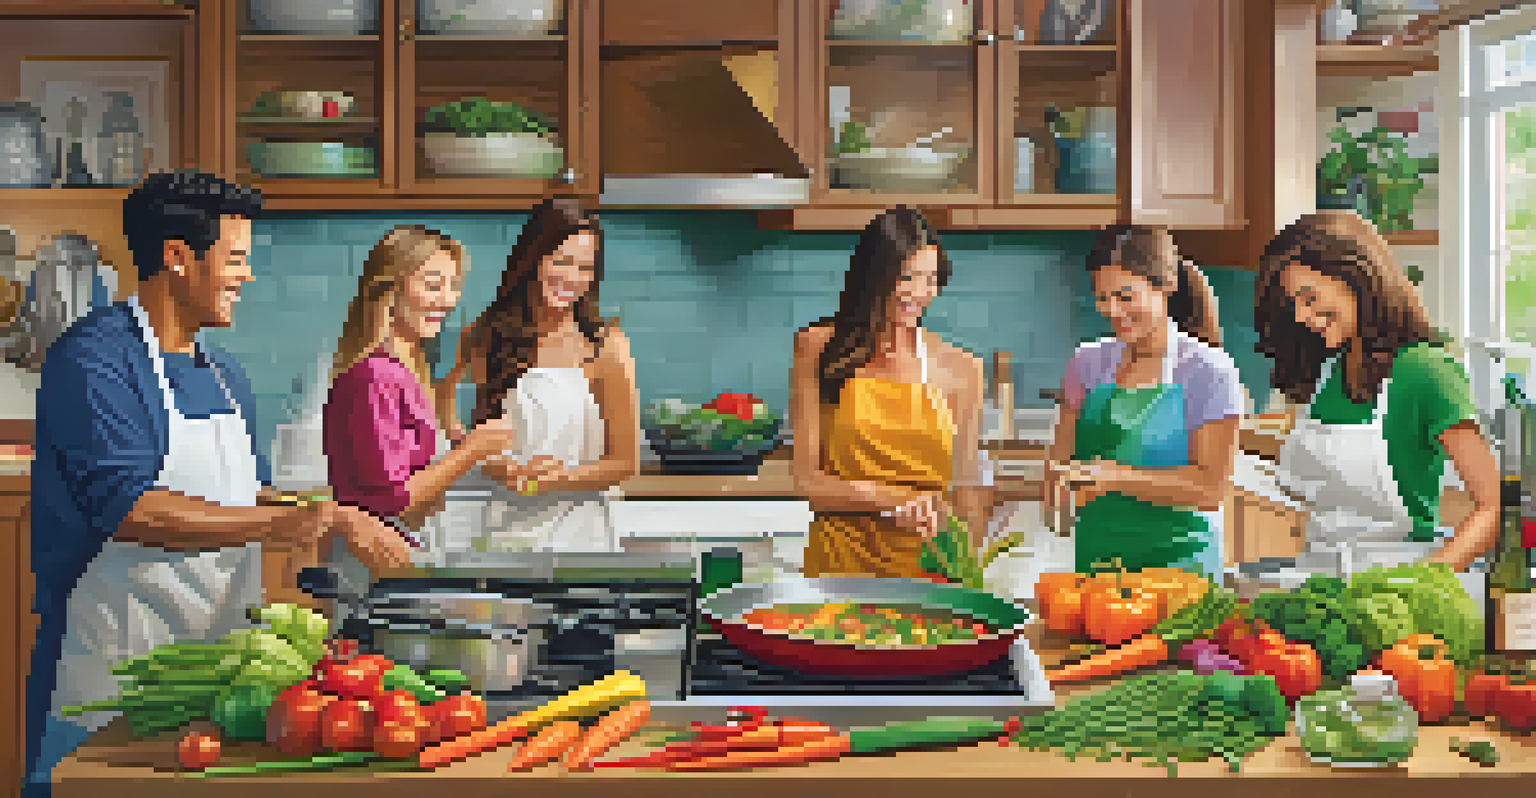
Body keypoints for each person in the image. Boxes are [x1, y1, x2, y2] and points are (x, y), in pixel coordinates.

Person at [22, 170, 412, 798]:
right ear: (177, 258)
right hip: (113, 677)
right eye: (235, 260)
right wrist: (301, 521)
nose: (246, 276)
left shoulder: (222, 369)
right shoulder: (94, 359)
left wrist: (332, 512)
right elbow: (130, 510)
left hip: (217, 679)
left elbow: (241, 494)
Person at [1255, 210, 1499, 573]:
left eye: (1309, 297)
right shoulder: (1327, 373)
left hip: (1398, 590)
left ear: (1356, 277)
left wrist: (1423, 582)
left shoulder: (1426, 370)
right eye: (1294, 305)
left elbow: (1492, 508)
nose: (1303, 316)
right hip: (1316, 582)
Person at [793, 206, 987, 578]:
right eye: (907, 277)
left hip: (927, 567)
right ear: (874, 277)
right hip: (839, 564)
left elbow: (966, 493)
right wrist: (897, 497)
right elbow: (808, 481)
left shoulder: (963, 369)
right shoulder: (818, 348)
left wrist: (968, 573)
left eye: (930, 279)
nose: (918, 292)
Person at [439, 197, 638, 552]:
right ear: (532, 258)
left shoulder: (605, 345)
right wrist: (506, 470)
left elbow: (624, 462)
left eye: (585, 267)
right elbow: (479, 442)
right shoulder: (485, 336)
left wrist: (556, 478)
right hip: (504, 532)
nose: (572, 278)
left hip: (581, 534)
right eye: (561, 261)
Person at [1043, 225, 1244, 578]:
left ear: (1165, 286)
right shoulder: (1086, 364)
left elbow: (1211, 489)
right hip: (1097, 570)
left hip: (1180, 573)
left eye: (1125, 296)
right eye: (1102, 298)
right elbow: (1059, 464)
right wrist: (1056, 495)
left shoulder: (1208, 371)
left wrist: (1117, 476)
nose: (1112, 310)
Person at [323, 225, 516, 588]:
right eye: (432, 285)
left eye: (453, 285)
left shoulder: (406, 372)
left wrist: (481, 457)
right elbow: (395, 499)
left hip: (401, 558)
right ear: (389, 289)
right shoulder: (375, 376)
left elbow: (415, 472)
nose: (446, 300)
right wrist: (473, 451)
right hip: (373, 568)